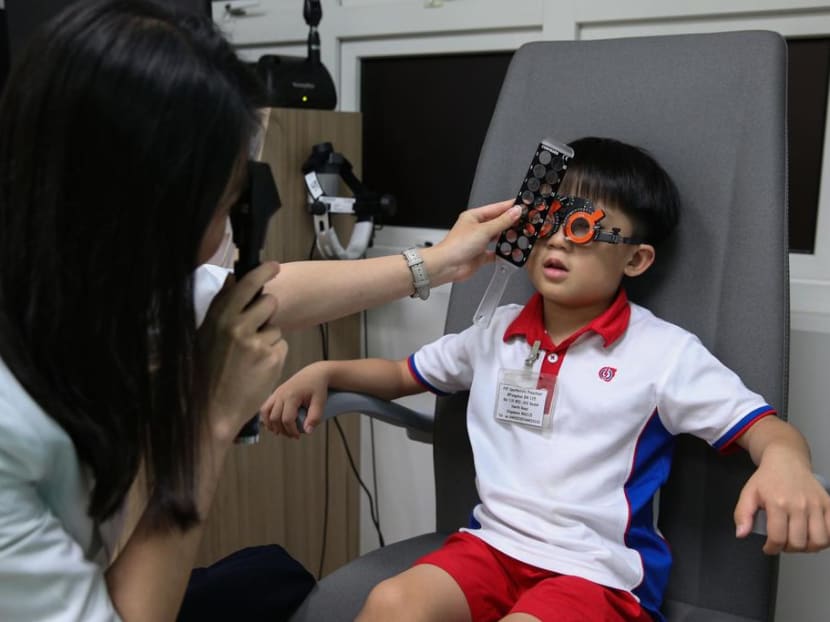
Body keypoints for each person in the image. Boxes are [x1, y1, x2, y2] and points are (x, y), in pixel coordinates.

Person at [0, 1, 520, 620]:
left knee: (273, 578)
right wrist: (211, 418)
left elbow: (268, 294)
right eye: (225, 205)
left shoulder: (85, 285)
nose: (229, 233)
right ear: (153, 210)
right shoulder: (13, 431)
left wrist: (434, 262)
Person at [264, 136, 830, 622]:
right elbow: (399, 373)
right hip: (490, 548)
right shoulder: (496, 332)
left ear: (635, 260)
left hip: (597, 574)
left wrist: (788, 462)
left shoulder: (664, 353)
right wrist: (325, 369)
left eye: (583, 228)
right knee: (391, 603)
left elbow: (764, 428)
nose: (558, 240)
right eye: (548, 220)